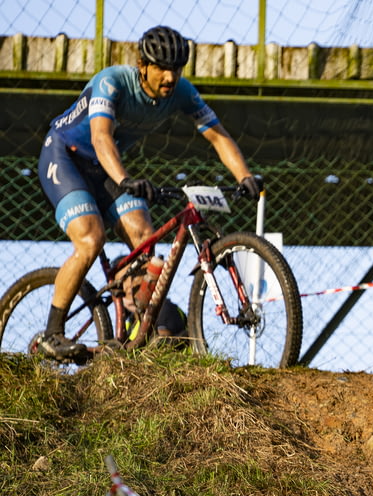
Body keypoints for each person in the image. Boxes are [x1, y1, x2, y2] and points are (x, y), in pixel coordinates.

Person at [36, 25, 262, 360]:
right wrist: (125, 179)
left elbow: (217, 135)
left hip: (106, 168)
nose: (170, 76)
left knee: (144, 238)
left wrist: (244, 176)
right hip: (65, 156)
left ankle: (135, 332)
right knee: (90, 238)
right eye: (162, 67)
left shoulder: (182, 92)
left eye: (177, 69)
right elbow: (100, 137)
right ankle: (52, 334)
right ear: (143, 64)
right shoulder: (112, 81)